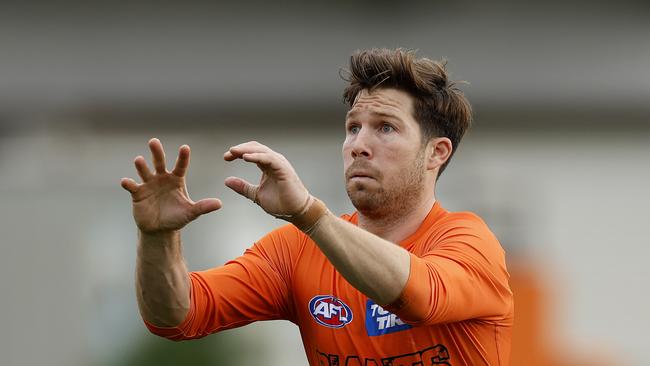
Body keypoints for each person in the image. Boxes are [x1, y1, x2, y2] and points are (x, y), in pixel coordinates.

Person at [120, 48, 513, 366]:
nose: (359, 144)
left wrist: (309, 214)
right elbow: (176, 315)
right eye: (353, 127)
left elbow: (418, 297)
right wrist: (158, 238)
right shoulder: (296, 250)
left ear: (435, 153)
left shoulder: (468, 241)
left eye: (386, 128)